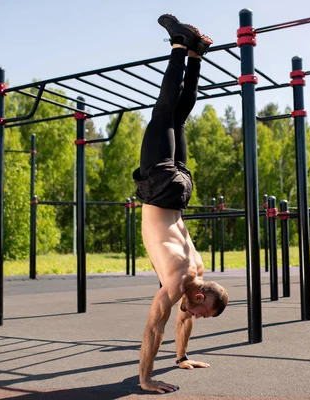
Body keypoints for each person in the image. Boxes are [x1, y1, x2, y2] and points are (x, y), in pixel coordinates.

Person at [132, 14, 229, 394]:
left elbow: (183, 318)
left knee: (179, 120)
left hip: (181, 190)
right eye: (201, 310)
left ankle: (196, 54)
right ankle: (179, 44)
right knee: (163, 111)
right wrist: (145, 379)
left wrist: (181, 358)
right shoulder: (177, 280)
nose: (195, 316)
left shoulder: (197, 271)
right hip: (160, 187)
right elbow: (155, 325)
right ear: (201, 295)